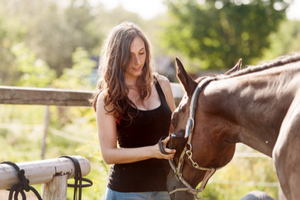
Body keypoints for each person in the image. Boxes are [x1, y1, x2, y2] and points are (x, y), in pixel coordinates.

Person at [91, 21, 176, 200]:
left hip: (166, 188)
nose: (137, 61)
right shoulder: (108, 99)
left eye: (141, 53)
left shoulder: (163, 85)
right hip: (127, 191)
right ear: (116, 57)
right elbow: (108, 154)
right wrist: (153, 151)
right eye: (129, 55)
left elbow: (174, 132)